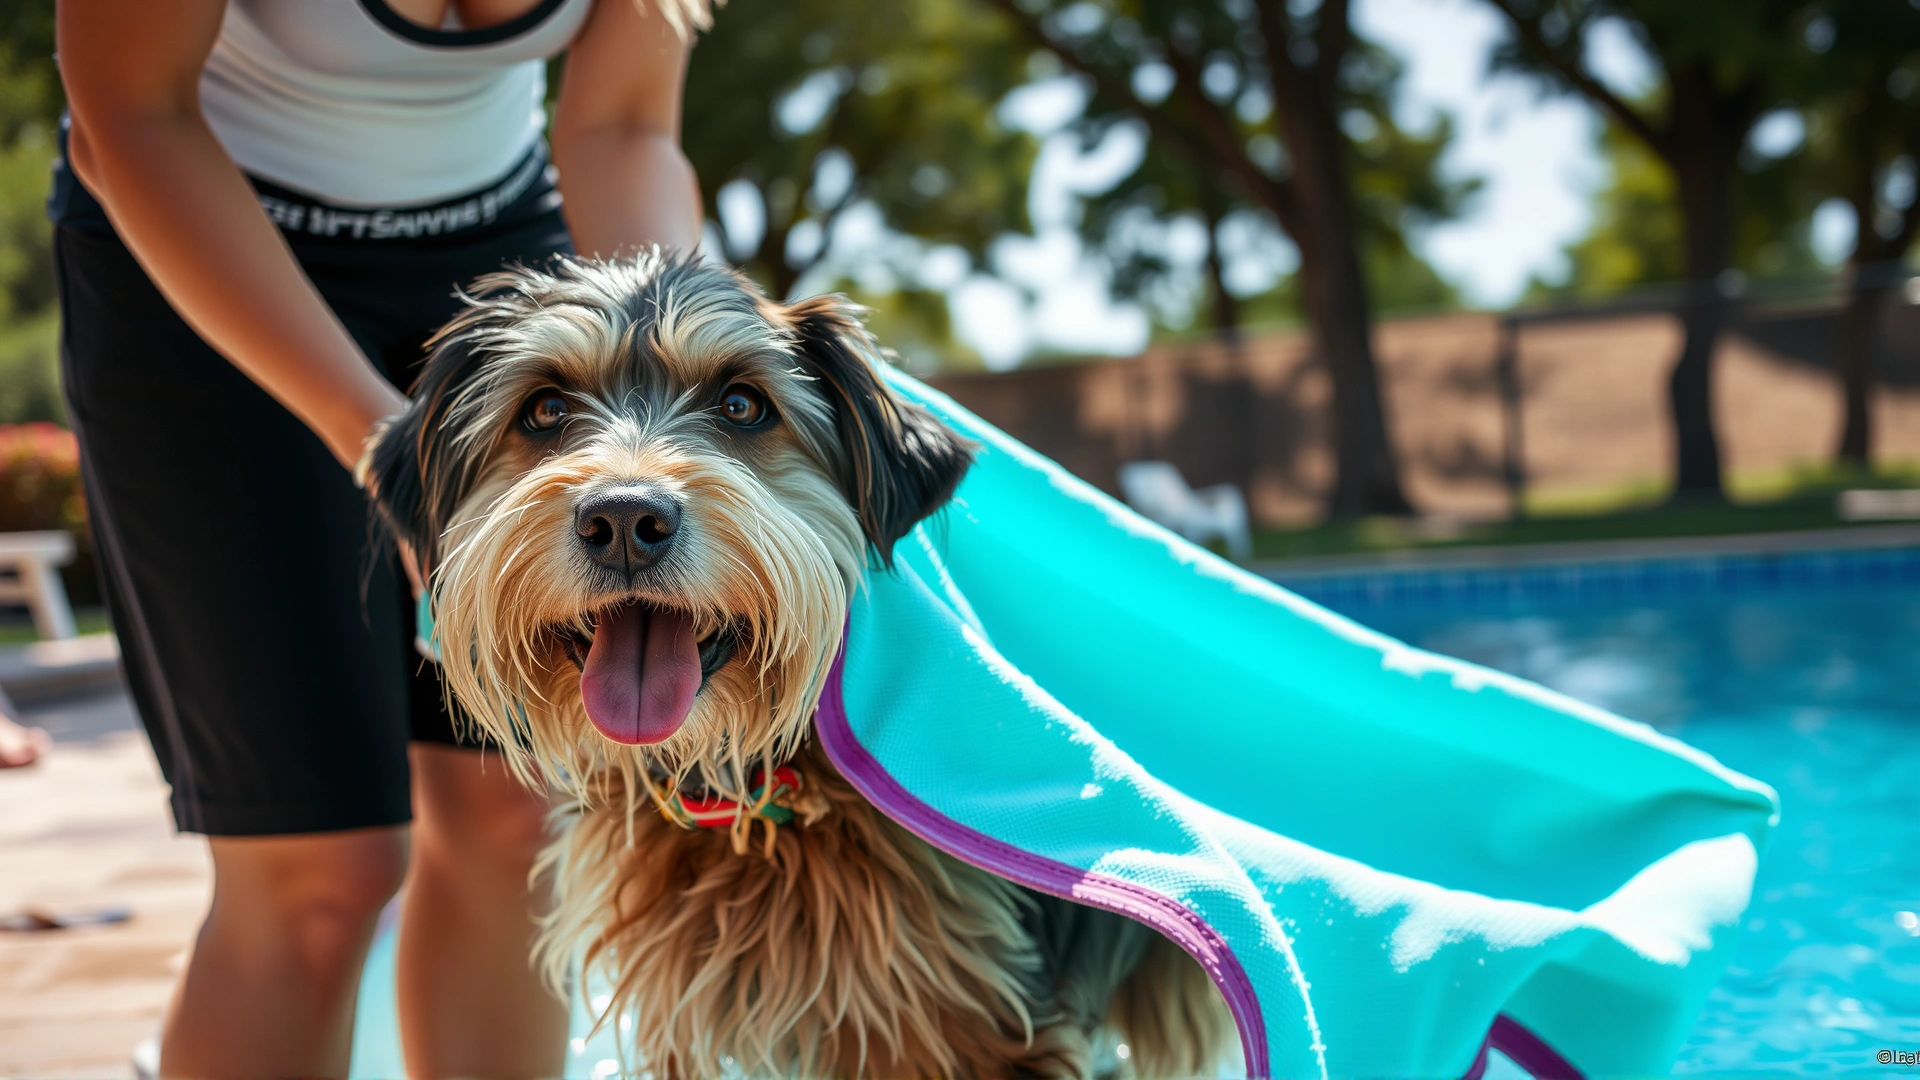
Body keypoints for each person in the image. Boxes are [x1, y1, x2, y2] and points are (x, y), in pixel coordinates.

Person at [51, 1, 708, 1075]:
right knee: (321, 868)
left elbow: (622, 130)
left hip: (505, 270)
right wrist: (393, 451)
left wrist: (694, 374)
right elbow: (130, 111)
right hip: (199, 249)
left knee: (521, 823)